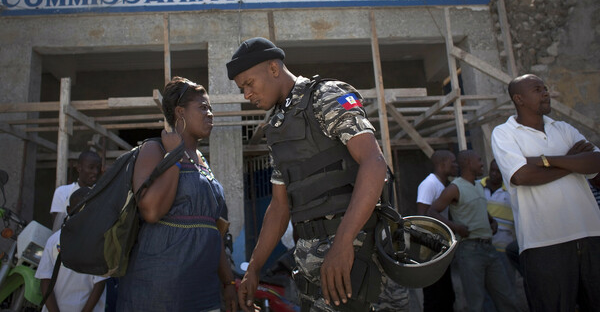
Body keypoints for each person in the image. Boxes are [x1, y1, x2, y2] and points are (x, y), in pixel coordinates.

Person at [228, 37, 393, 312]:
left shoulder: (326, 95)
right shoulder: (278, 126)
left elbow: (374, 163)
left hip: (352, 253)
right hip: (309, 263)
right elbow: (280, 206)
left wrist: (342, 243)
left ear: (272, 68)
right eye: (241, 88)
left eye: (249, 84)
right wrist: (254, 268)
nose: (246, 94)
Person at [116, 76, 237, 312]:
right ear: (180, 112)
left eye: (210, 108)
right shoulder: (154, 150)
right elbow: (151, 211)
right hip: (161, 291)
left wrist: (228, 281)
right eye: (203, 107)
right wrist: (174, 157)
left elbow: (213, 229)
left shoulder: (202, 161)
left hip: (203, 291)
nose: (210, 114)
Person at [491, 73, 600, 312]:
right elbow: (522, 176)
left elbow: (597, 163)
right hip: (543, 243)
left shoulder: (563, 128)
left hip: (591, 236)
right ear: (519, 99)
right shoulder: (504, 133)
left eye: (546, 88)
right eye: (538, 89)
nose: (546, 93)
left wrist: (546, 161)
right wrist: (573, 162)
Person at [428, 150, 518, 312]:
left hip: (489, 248)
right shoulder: (455, 188)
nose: (482, 164)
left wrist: (491, 221)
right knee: (476, 301)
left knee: (506, 297)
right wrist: (456, 227)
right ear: (469, 163)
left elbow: (480, 207)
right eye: (479, 160)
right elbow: (432, 212)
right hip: (470, 250)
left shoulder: (478, 185)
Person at [36, 187, 107, 312]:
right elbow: (45, 280)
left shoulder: (98, 243)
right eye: (81, 208)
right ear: (69, 210)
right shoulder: (54, 241)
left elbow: (99, 284)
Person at [416, 150, 457, 312]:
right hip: (431, 250)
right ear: (442, 164)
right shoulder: (429, 184)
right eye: (452, 162)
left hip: (441, 248)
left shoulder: (442, 185)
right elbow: (421, 216)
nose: (456, 165)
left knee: (446, 295)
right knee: (434, 296)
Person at [50, 150, 101, 230]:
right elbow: (57, 226)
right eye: (91, 167)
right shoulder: (62, 192)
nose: (95, 172)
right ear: (79, 168)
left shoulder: (101, 192)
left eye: (98, 168)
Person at [479, 159, 515, 253]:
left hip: (504, 242)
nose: (494, 174)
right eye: (492, 170)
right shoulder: (477, 186)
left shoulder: (511, 191)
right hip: (480, 242)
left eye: (498, 171)